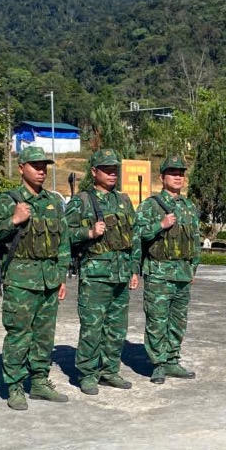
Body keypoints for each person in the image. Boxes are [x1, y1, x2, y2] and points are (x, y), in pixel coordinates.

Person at [0, 145, 70, 410]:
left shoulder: (53, 201)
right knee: (19, 334)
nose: (41, 170)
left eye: (44, 166)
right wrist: (13, 220)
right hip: (20, 278)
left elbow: (63, 242)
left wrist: (61, 276)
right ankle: (14, 386)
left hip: (49, 278)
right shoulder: (6, 201)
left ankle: (39, 381)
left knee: (45, 335)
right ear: (21, 168)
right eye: (35, 166)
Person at [66, 148, 140, 394]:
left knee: (117, 327)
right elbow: (64, 234)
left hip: (121, 273)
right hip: (95, 275)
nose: (112, 174)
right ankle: (87, 374)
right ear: (94, 172)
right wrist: (88, 233)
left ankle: (109, 371)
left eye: (114, 169)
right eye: (106, 169)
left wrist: (134, 269)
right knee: (92, 327)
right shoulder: (82, 201)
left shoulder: (124, 201)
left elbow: (134, 237)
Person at [134, 155, 201, 384]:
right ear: (162, 177)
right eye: (173, 173)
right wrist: (160, 225)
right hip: (159, 273)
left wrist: (193, 268)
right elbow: (138, 236)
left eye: (181, 173)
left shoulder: (188, 207)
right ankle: (159, 364)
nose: (178, 177)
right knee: (157, 321)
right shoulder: (150, 206)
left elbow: (195, 240)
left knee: (178, 320)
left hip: (182, 273)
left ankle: (172, 360)